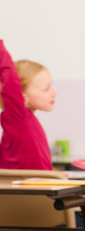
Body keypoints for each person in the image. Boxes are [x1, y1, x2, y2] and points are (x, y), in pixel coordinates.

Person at [0, 40, 56, 169]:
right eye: (46, 88)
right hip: (30, 188)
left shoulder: (26, 120)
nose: (54, 93)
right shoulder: (18, 119)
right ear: (21, 96)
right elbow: (10, 81)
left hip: (43, 185)